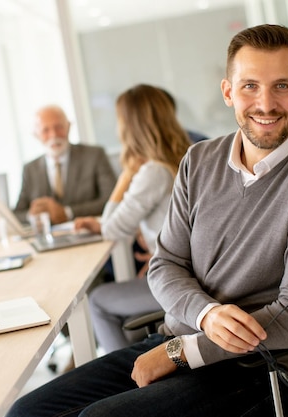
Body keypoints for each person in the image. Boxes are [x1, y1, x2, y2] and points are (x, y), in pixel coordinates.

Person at [6, 24, 288, 416]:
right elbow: (165, 264)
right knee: (27, 412)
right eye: (249, 86)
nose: (265, 103)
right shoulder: (200, 160)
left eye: (281, 86)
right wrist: (204, 316)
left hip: (259, 368)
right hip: (177, 338)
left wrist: (183, 352)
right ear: (228, 92)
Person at [74, 84, 192, 354]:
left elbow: (112, 229)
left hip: (178, 282)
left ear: (130, 126)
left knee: (98, 302)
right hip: (188, 274)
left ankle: (126, 380)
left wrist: (126, 175)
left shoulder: (152, 172)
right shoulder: (185, 158)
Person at [14, 105, 117, 225]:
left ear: (68, 126)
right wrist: (35, 215)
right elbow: (18, 213)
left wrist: (67, 212)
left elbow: (112, 199)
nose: (53, 135)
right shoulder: (30, 169)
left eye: (58, 127)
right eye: (45, 130)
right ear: (36, 135)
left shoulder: (94, 155)